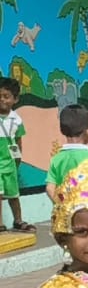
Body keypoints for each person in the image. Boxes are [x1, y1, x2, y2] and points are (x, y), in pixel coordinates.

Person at [44, 105, 88, 204]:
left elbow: (50, 188)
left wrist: (61, 206)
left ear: (63, 131)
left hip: (65, 215)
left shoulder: (57, 159)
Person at [0, 77, 30, 231]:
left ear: (15, 99)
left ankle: (18, 220)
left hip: (9, 162)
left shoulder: (16, 120)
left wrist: (18, 159)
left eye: (6, 96)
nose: (2, 100)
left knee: (13, 194)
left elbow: (17, 141)